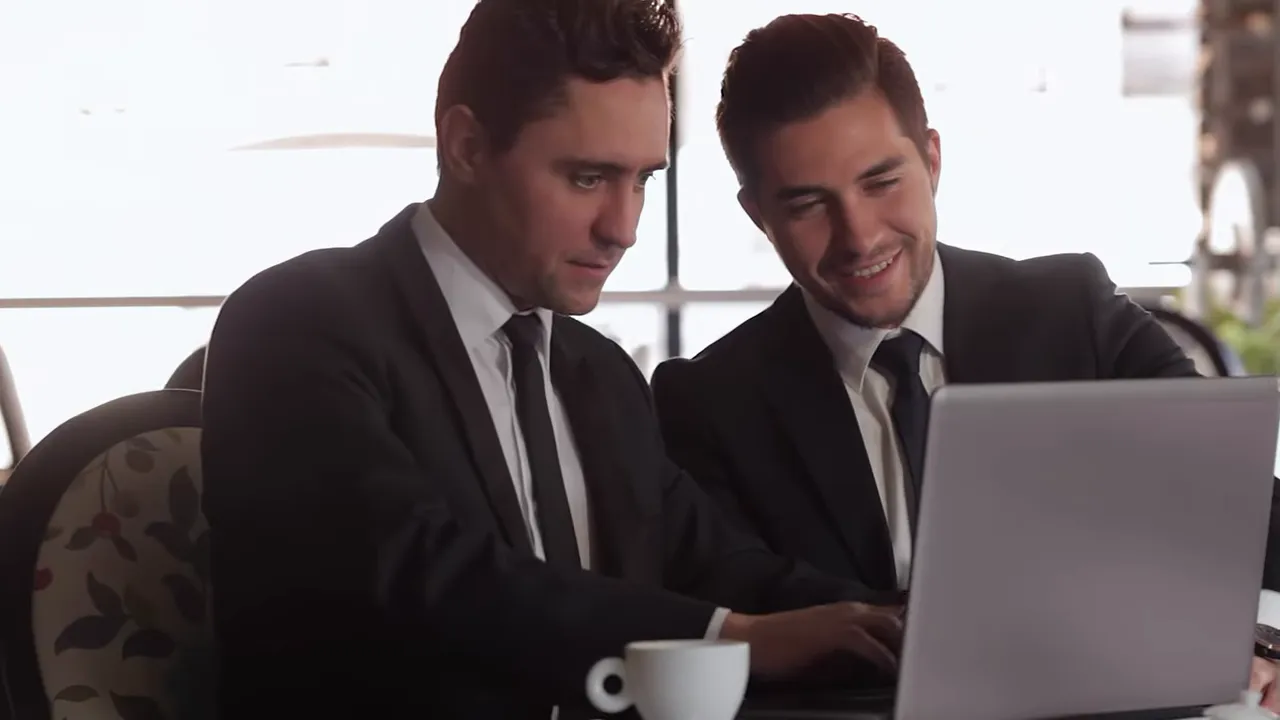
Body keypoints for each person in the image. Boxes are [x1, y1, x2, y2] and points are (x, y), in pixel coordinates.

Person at [200, 2, 906, 718]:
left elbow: (720, 567)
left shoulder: (598, 372)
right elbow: (422, 575)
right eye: (588, 178)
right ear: (467, 146)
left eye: (644, 180)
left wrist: (920, 622)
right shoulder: (296, 323)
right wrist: (729, 637)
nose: (623, 228)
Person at [649, 11, 1280, 708]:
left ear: (933, 160)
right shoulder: (708, 402)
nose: (860, 237)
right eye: (807, 204)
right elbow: (747, 600)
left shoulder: (1073, 310)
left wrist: (1252, 639)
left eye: (881, 181)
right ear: (757, 216)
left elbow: (1225, 503)